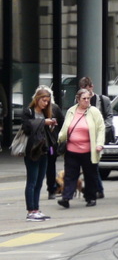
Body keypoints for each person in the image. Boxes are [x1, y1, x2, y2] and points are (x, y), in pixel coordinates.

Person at [56, 88, 105, 209]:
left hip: (88, 150)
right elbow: (65, 128)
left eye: (89, 98)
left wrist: (99, 144)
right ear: (78, 99)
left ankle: (91, 197)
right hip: (72, 150)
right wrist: (59, 139)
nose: (87, 101)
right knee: (70, 175)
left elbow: (101, 129)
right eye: (84, 98)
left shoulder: (94, 112)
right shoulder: (71, 111)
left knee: (90, 175)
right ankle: (66, 198)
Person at [21, 86, 62, 221]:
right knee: (32, 181)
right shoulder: (29, 112)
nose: (46, 104)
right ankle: (30, 211)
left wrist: (50, 125)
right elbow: (26, 128)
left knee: (39, 182)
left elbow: (49, 132)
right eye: (44, 101)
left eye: (48, 101)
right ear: (37, 99)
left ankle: (36, 209)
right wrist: (43, 122)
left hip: (44, 149)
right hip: (32, 150)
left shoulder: (47, 112)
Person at [77, 76, 112, 199]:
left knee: (93, 163)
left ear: (91, 87)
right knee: (90, 165)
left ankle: (96, 189)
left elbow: (109, 117)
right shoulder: (78, 100)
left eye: (86, 89)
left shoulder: (103, 100)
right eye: (81, 90)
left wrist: (102, 129)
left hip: (97, 137)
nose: (83, 93)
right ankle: (97, 189)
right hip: (83, 137)